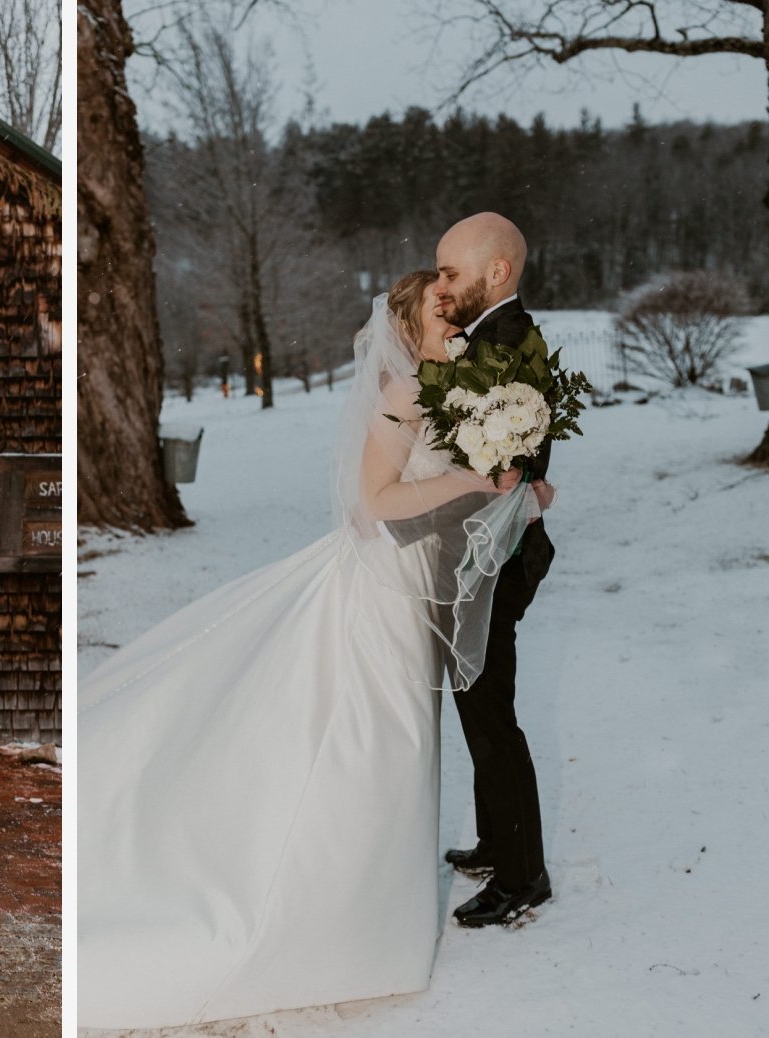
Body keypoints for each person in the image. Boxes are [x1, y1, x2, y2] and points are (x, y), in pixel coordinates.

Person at [78, 271, 549, 1029]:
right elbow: (376, 506)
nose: (455, 317)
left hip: (424, 586)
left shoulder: (464, 387)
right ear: (410, 324)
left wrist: (518, 490)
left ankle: (374, 907)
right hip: (383, 588)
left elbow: (478, 483)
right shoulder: (401, 394)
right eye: (442, 309)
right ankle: (342, 921)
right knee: (378, 738)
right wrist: (467, 478)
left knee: (403, 741)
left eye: (457, 308)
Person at [435, 211, 554, 926]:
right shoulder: (488, 341)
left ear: (497, 272)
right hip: (483, 548)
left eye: (451, 272)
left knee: (491, 716)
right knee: (477, 706)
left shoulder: (508, 343)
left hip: (497, 557)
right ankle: (493, 840)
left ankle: (522, 874)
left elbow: (508, 461)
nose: (443, 285)